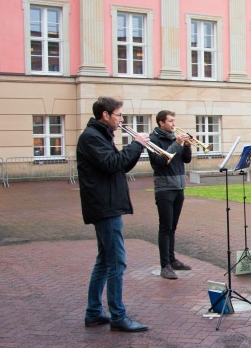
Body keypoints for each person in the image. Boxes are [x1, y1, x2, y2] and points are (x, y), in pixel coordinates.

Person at [77, 97, 149, 332]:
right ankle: (118, 316)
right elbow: (111, 163)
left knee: (104, 260)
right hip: (104, 206)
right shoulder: (91, 137)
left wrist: (136, 148)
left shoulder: (100, 135)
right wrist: (136, 144)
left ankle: (94, 312)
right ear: (105, 115)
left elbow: (120, 165)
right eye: (118, 115)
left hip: (106, 204)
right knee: (116, 261)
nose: (121, 119)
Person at [149, 110, 193, 280]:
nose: (174, 124)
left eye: (174, 121)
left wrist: (187, 146)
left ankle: (172, 260)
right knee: (165, 227)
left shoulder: (174, 138)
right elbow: (161, 160)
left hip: (178, 187)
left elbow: (186, 160)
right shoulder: (154, 140)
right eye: (171, 121)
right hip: (164, 188)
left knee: (172, 227)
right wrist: (177, 143)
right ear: (161, 123)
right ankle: (165, 265)